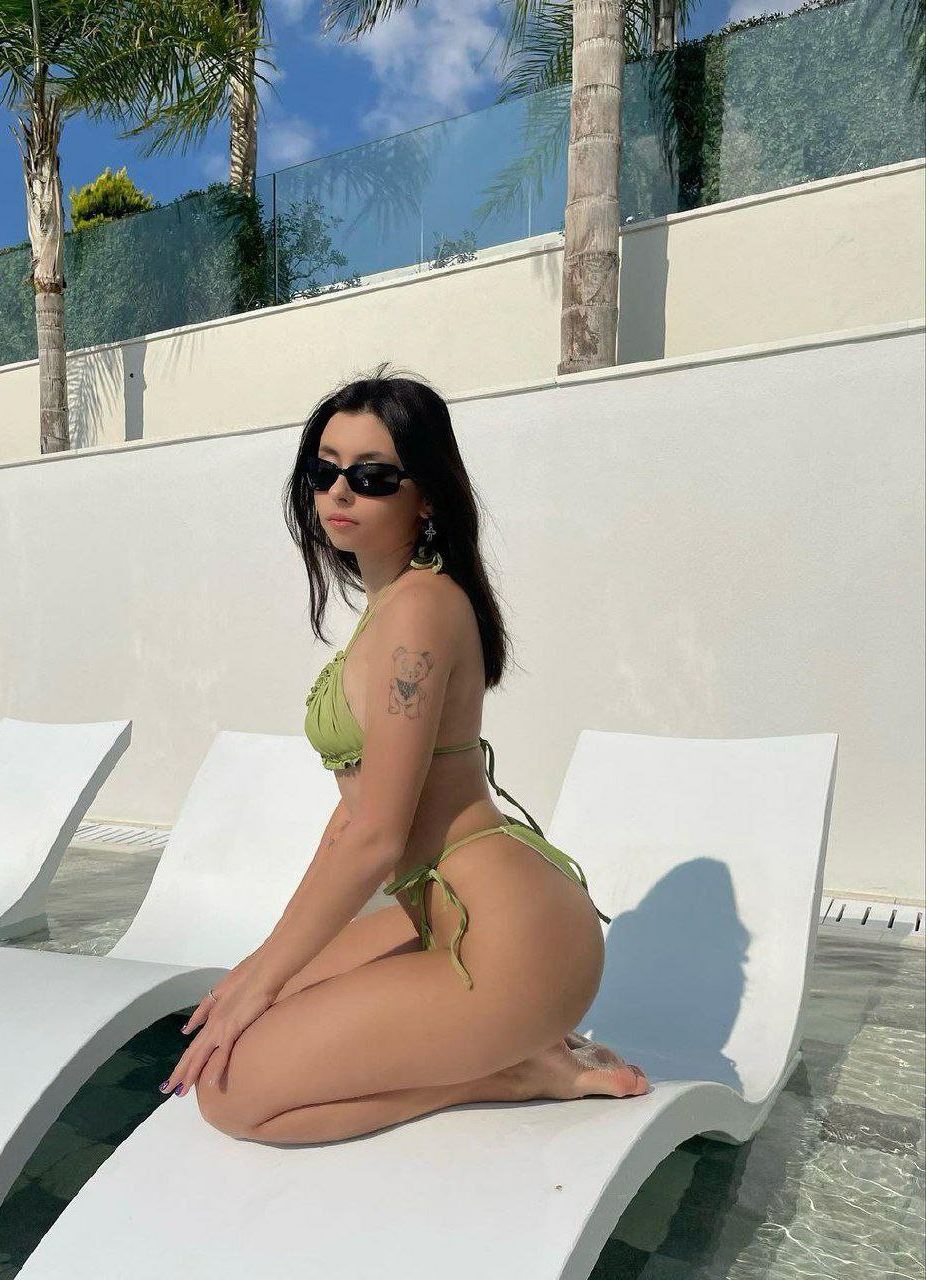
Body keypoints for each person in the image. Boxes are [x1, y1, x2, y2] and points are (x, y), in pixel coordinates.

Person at [159, 364, 649, 1144]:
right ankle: (506, 1055)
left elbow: (378, 836)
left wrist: (265, 976)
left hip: (509, 944)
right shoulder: (392, 605)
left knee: (231, 1097)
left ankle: (512, 1071)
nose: (339, 492)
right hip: (442, 917)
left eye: (372, 476)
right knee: (245, 1009)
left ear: (425, 496)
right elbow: (350, 817)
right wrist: (262, 964)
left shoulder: (420, 610)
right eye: (324, 470)